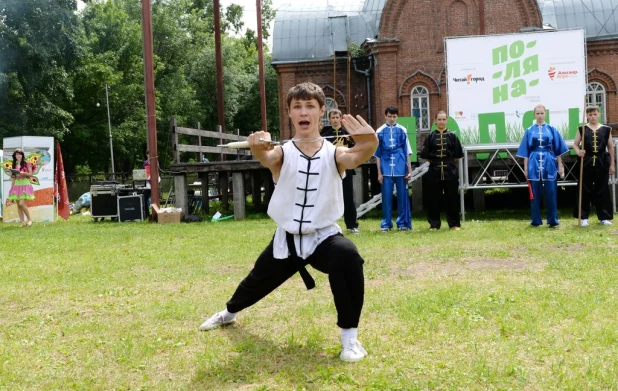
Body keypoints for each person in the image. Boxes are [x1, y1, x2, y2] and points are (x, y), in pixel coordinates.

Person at [199, 82, 378, 363]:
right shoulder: (283, 152)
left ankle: (350, 340)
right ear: (290, 114)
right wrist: (259, 148)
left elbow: (356, 156)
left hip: (323, 238)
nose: (303, 111)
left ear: (321, 112)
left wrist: (370, 144)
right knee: (256, 280)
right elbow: (268, 157)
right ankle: (229, 314)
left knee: (348, 255)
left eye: (310, 106)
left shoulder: (334, 153)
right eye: (297, 106)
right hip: (288, 238)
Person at [516, 104, 568, 227]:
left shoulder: (551, 129)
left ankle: (553, 220)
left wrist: (560, 166)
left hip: (549, 160)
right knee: (534, 193)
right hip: (534, 161)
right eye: (537, 113)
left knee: (551, 192)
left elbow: (558, 149)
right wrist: (525, 169)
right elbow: (525, 151)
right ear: (534, 114)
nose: (540, 116)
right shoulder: (529, 130)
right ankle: (536, 220)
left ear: (545, 114)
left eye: (542, 113)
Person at [420, 111, 464, 230]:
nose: (441, 122)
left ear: (447, 120)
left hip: (450, 171)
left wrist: (447, 162)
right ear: (435, 120)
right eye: (439, 119)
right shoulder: (430, 137)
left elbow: (457, 155)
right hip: (434, 171)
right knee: (433, 198)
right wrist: (436, 162)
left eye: (444, 119)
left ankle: (454, 224)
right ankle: (434, 224)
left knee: (452, 198)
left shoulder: (453, 136)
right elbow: (427, 156)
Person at [572, 105, 615, 226]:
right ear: (587, 116)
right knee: (584, 189)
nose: (593, 117)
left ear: (599, 114)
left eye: (595, 114)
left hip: (602, 162)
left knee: (602, 189)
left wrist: (612, 164)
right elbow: (575, 144)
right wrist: (579, 151)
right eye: (590, 115)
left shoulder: (606, 129)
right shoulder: (582, 128)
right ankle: (583, 217)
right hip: (586, 162)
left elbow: (610, 147)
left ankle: (604, 217)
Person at [321, 108, 360, 234]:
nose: (335, 120)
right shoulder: (325, 133)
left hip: (345, 169)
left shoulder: (346, 133)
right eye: (333, 118)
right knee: (329, 197)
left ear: (341, 119)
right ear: (329, 119)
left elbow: (355, 147)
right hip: (330, 169)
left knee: (348, 197)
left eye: (337, 117)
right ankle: (327, 224)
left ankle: (352, 225)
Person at [374, 106, 413, 232]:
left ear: (397, 116)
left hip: (400, 165)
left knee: (402, 195)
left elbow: (407, 151)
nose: (392, 119)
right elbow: (377, 154)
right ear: (385, 116)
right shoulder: (379, 131)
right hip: (385, 166)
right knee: (386, 197)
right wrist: (379, 173)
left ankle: (402, 223)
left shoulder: (402, 130)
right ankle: (386, 223)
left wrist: (410, 170)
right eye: (390, 116)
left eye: (394, 116)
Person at [7, 149, 34, 227]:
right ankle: (21, 222)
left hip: (25, 185)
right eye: (17, 154)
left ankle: (29, 219)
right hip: (16, 186)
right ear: (14, 156)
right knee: (18, 205)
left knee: (22, 203)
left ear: (22, 155)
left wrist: (23, 173)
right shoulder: (14, 165)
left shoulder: (27, 163)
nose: (18, 156)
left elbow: (30, 174)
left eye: (20, 154)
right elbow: (13, 178)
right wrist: (12, 188)